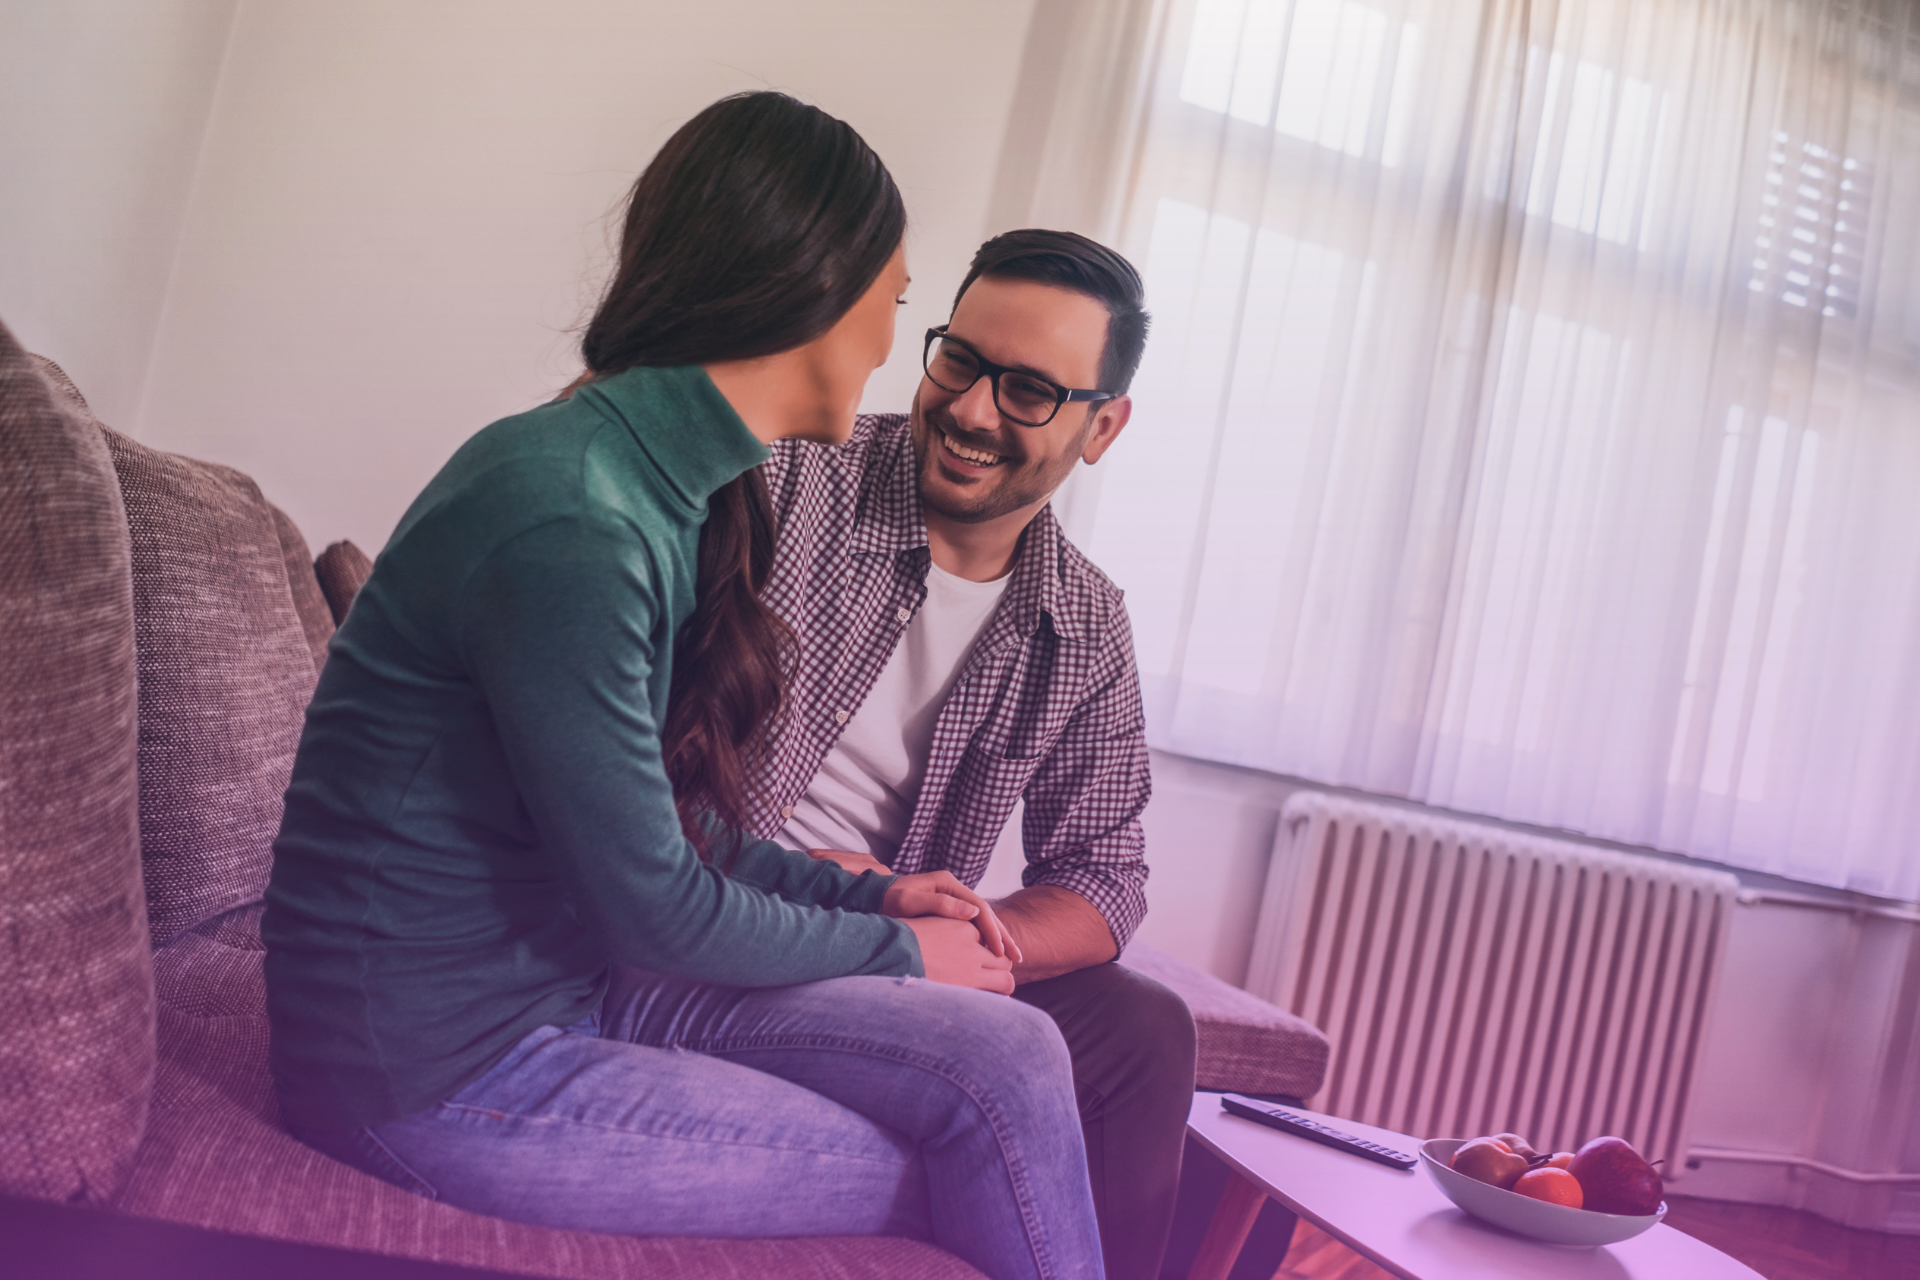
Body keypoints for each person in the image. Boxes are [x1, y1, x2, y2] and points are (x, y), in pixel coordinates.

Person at [261, 92, 1103, 1280]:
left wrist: (878, 901)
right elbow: (653, 904)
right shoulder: (574, 513)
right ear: (807, 290)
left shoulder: (667, 489)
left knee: (1012, 1056)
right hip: (431, 1076)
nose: (885, 354)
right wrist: (908, 957)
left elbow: (679, 832)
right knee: (942, 1158)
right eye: (896, 308)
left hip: (572, 988)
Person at [746, 229, 1196, 1280]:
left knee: (1140, 1031)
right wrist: (856, 898)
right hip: (736, 905)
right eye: (961, 359)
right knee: (1013, 1052)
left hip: (901, 942)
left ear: (1104, 427)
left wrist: (967, 929)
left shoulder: (1083, 617)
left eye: (1032, 389)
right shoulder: (787, 481)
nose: (975, 409)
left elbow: (1103, 877)